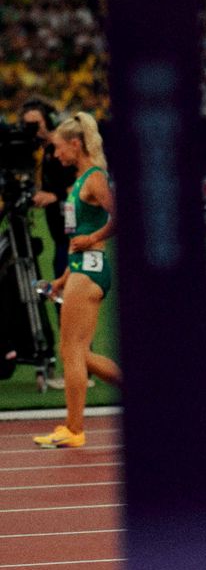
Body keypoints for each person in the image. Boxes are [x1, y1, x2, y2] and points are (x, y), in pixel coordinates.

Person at [32, 112, 121, 450]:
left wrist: (92, 238)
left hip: (91, 268)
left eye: (58, 149)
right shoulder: (81, 181)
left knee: (70, 350)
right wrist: (62, 278)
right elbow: (78, 238)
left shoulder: (96, 178)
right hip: (81, 268)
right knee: (79, 352)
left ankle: (74, 428)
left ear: (74, 143)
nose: (55, 156)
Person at [20, 95, 74, 278]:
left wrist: (53, 196)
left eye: (37, 124)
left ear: (49, 121)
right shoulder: (44, 152)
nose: (33, 130)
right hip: (60, 235)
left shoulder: (67, 147)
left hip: (75, 234)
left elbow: (86, 183)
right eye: (28, 125)